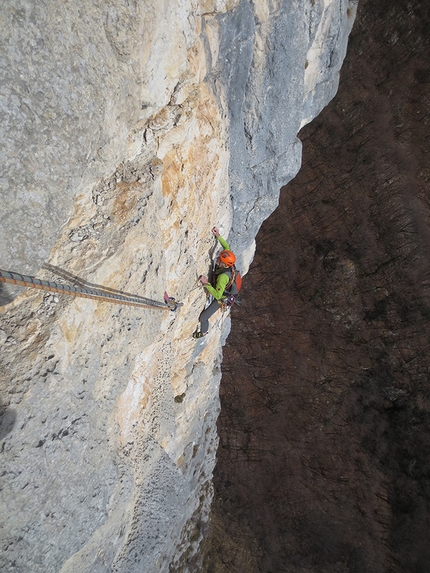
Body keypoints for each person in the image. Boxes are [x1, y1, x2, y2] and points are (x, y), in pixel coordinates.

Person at [193, 227, 237, 339]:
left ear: (224, 264)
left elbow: (217, 295)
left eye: (219, 260)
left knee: (203, 318)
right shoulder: (228, 260)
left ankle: (203, 333)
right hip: (220, 289)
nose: (217, 258)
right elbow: (226, 247)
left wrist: (207, 283)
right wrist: (218, 236)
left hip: (221, 298)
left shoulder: (223, 277)